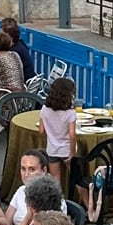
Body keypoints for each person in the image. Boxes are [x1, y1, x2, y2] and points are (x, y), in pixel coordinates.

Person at [39, 76, 89, 209]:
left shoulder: (45, 109)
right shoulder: (70, 113)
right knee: (78, 180)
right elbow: (72, 134)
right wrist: (72, 152)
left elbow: (41, 131)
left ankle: (58, 207)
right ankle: (89, 206)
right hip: (67, 149)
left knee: (55, 180)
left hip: (52, 149)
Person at [5, 148, 55, 225]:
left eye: (32, 169)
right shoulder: (21, 190)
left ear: (44, 170)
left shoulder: (51, 197)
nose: (26, 174)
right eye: (23, 169)